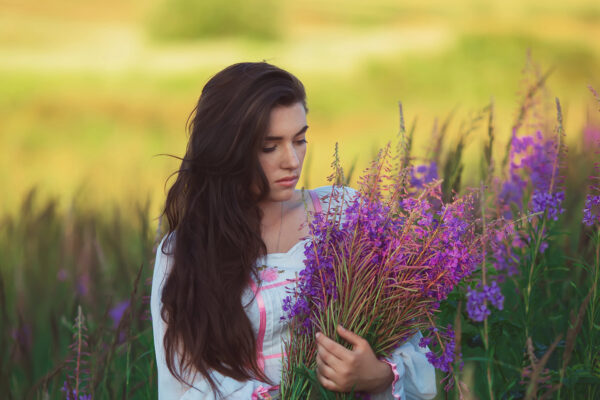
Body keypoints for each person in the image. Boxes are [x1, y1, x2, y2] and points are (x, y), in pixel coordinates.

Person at [150, 62, 437, 399]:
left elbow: (418, 346)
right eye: (270, 147)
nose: (292, 160)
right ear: (226, 149)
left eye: (300, 140)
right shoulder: (186, 250)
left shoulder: (343, 213)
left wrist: (375, 375)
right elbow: (183, 385)